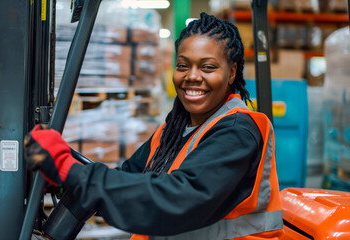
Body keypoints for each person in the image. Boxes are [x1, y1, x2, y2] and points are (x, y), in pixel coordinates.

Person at [25, 12, 285, 240]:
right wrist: (66, 180)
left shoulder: (238, 130)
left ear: (231, 73)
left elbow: (176, 200)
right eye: (183, 65)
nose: (192, 76)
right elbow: (130, 181)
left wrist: (71, 171)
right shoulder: (175, 130)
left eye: (208, 67)